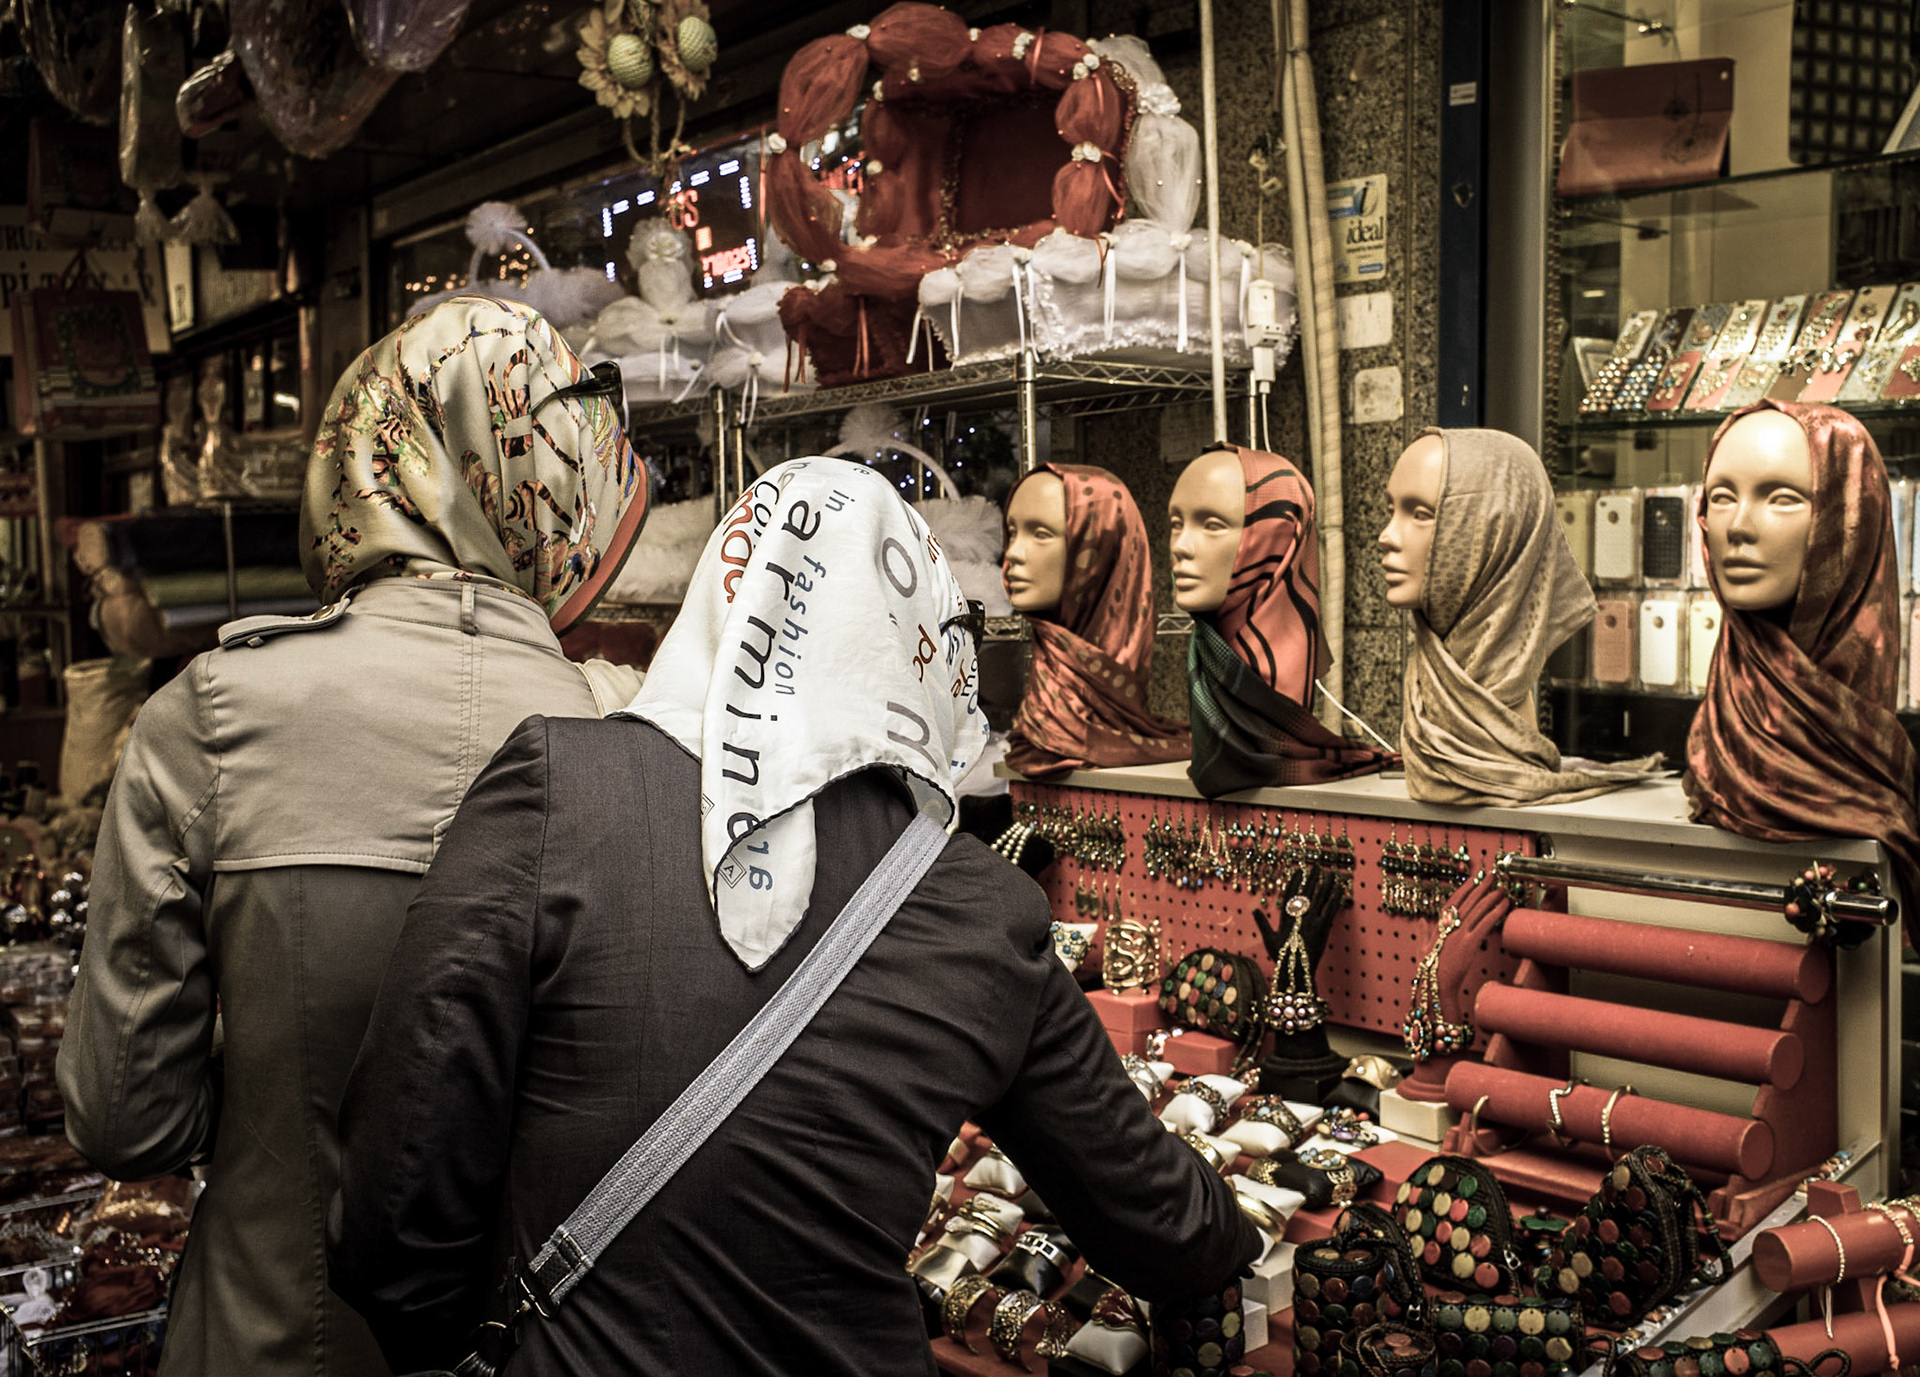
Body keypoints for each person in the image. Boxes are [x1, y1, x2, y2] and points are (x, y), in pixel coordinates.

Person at [328, 457, 1260, 1376]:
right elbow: (1161, 1223)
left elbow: (396, 1193)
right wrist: (1254, 1220)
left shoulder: (557, 793)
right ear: (917, 641)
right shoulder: (983, 910)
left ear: (726, 597)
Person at [55, 295, 649, 1377]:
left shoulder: (214, 718)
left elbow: (126, 1119)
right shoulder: (642, 735)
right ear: (567, 476)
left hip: (273, 1334)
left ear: (363, 459)